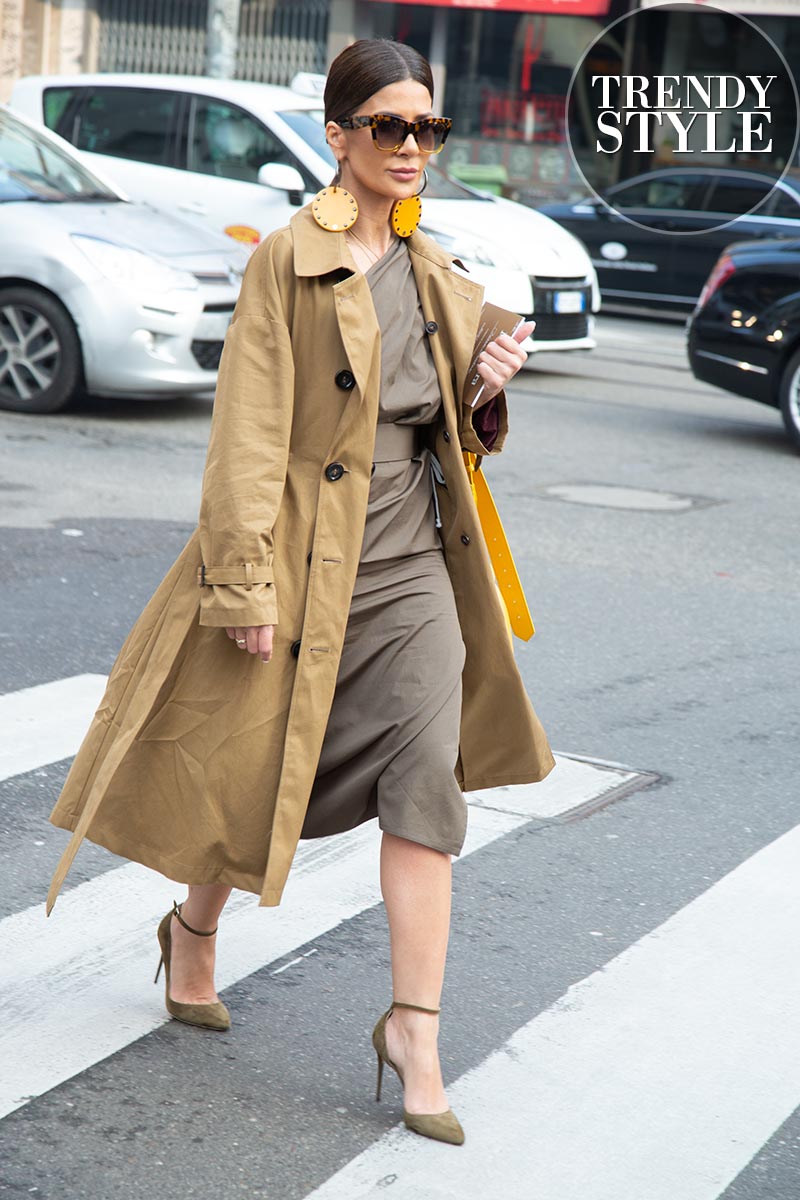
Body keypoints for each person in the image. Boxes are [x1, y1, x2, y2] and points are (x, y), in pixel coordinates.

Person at [46, 38, 555, 1146]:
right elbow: (246, 432)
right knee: (253, 772)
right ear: (338, 135)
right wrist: (242, 578)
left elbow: (447, 435)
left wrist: (481, 391)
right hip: (296, 551)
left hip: (412, 564)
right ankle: (191, 927)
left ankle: (413, 1031)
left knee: (427, 785)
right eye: (389, 127)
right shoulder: (286, 256)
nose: (412, 147)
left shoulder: (436, 269)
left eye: (427, 129)